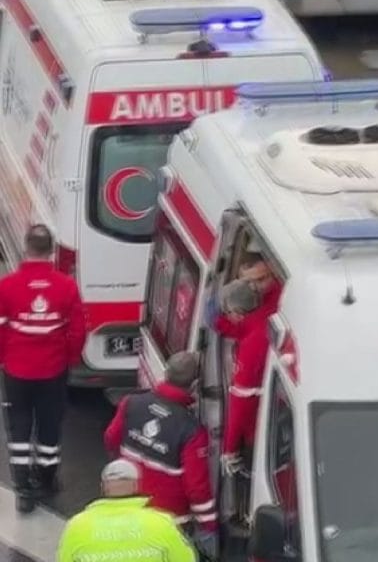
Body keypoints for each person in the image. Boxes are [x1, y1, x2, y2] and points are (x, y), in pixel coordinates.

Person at [0, 224, 86, 513]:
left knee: (19, 428)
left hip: (17, 372)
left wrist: (4, 358)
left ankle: (23, 489)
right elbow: (77, 330)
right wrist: (70, 359)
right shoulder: (66, 286)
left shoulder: (8, 285)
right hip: (53, 371)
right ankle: (46, 480)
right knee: (49, 427)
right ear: (51, 251)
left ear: (27, 248)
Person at [104, 352, 217, 558]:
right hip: (168, 521)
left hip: (130, 509)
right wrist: (208, 527)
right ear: (194, 385)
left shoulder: (131, 403)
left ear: (166, 374)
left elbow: (111, 438)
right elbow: (197, 489)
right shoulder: (191, 430)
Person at [56, 459, 197, 562]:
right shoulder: (162, 523)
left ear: (103, 487)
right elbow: (187, 559)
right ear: (136, 486)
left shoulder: (77, 527)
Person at [215, 279, 268, 525]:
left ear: (237, 312)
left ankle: (248, 516)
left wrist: (229, 448)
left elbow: (240, 402)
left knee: (248, 474)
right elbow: (238, 327)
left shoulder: (251, 345)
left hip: (255, 429)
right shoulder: (261, 321)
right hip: (261, 418)